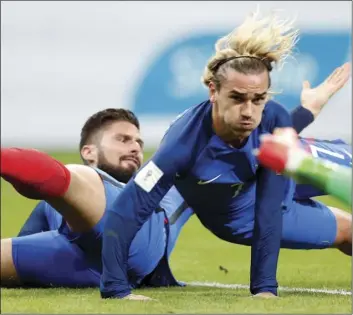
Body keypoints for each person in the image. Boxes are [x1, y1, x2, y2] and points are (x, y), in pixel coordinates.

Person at [94, 10, 351, 300]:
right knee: (349, 230)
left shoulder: (273, 117)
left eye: (259, 99)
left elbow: (272, 179)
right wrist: (115, 288)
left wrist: (307, 111)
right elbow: (126, 211)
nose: (249, 111)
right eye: (238, 98)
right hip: (239, 214)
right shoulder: (182, 146)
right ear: (213, 91)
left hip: (280, 168)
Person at [1, 108, 193, 299]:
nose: (135, 148)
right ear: (89, 152)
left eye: (138, 143)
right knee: (78, 178)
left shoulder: (165, 191)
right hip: (73, 259)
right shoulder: (68, 193)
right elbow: (26, 239)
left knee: (77, 179)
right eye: (123, 139)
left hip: (112, 250)